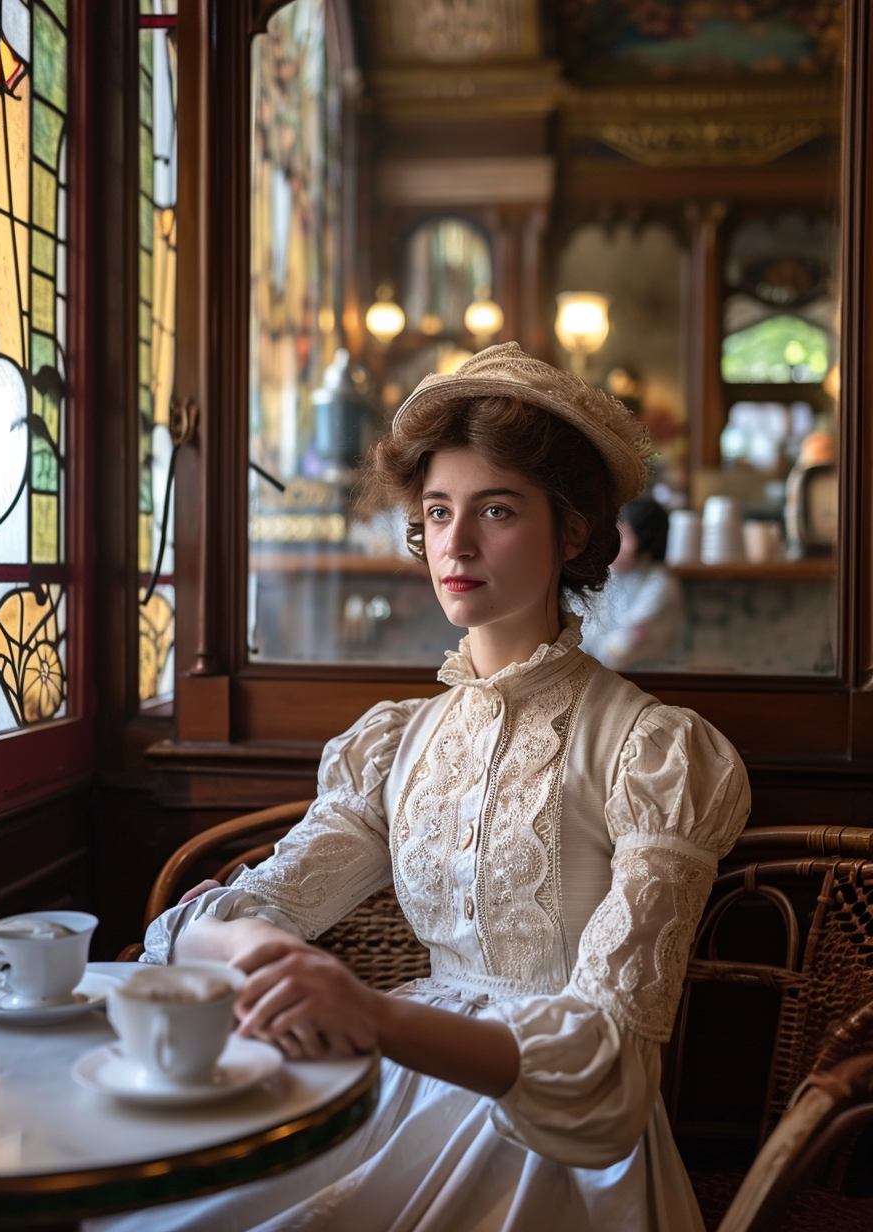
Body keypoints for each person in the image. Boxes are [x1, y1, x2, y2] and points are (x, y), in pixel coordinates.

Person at [109, 343, 750, 1232]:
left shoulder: (653, 752)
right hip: (391, 1093)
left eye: (496, 509)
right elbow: (216, 928)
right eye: (437, 512)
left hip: (549, 1147)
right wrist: (275, 966)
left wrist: (367, 1012)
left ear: (571, 531)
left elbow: (609, 1075)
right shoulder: (396, 745)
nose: (456, 543)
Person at [579, 496, 683, 670]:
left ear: (646, 540)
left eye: (624, 535)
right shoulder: (607, 575)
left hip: (648, 683)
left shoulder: (660, 586)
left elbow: (617, 655)